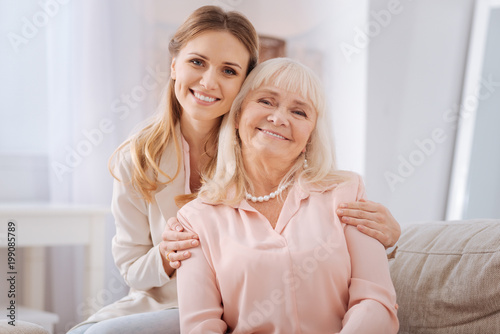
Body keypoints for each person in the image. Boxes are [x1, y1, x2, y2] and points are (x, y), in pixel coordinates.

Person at [69, 5, 400, 334]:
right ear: (174, 65)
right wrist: (167, 255)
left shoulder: (260, 140)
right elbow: (132, 268)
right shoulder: (138, 158)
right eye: (197, 62)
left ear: (244, 84)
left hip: (234, 303)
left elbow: (316, 215)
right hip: (167, 303)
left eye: (229, 71)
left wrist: (392, 236)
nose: (209, 81)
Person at [176, 58, 399, 333]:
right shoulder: (196, 219)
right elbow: (200, 326)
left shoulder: (346, 192)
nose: (279, 118)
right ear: (237, 115)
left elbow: (375, 301)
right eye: (267, 102)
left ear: (311, 137)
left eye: (299, 112)